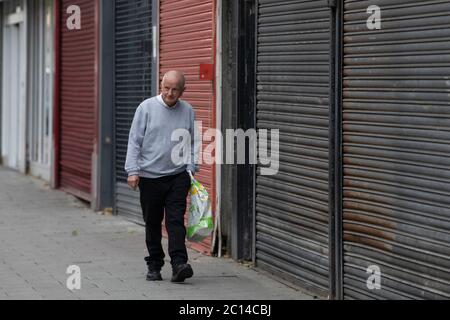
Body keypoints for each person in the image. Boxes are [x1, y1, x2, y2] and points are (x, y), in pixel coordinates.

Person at [125, 70, 198, 283]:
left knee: (176, 221)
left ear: (183, 90)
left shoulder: (188, 110)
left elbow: (193, 140)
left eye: (175, 89)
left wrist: (191, 166)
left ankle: (179, 264)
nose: (170, 93)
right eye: (167, 88)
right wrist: (132, 171)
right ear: (161, 85)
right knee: (153, 222)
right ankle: (155, 265)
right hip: (149, 177)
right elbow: (134, 140)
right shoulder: (146, 108)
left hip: (177, 175)